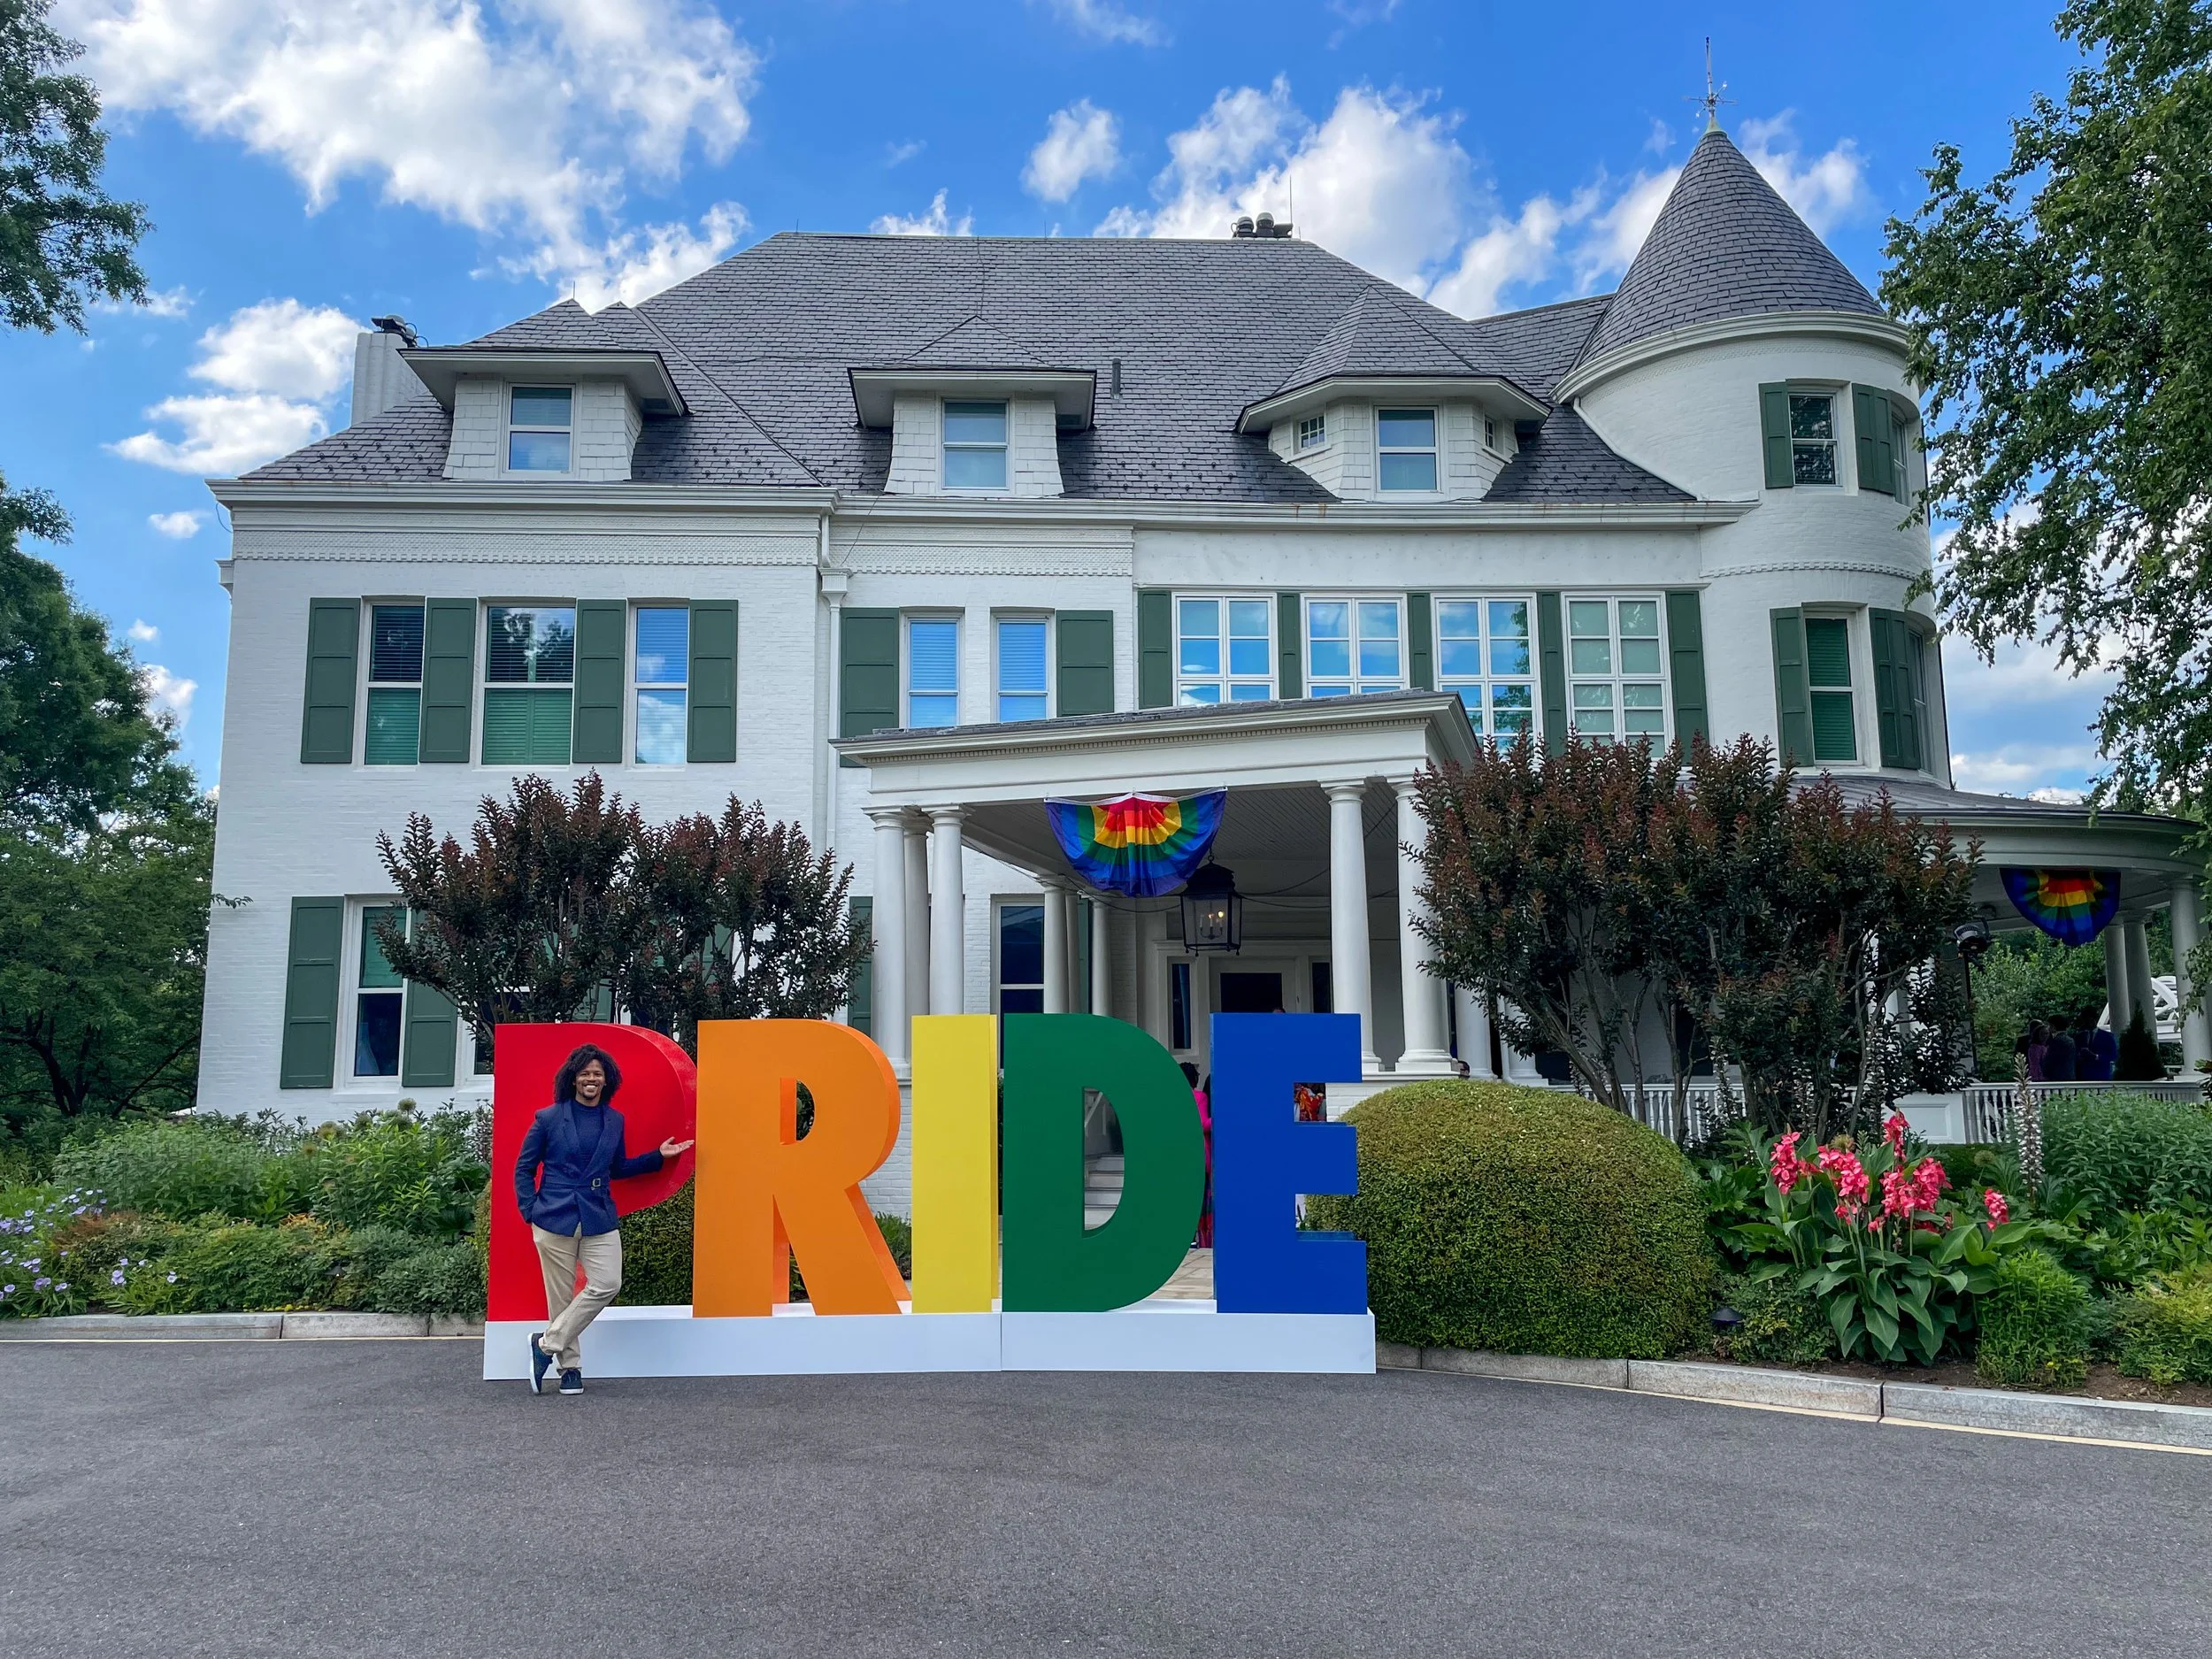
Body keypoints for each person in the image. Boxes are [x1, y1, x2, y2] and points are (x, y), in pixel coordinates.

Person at [514, 1042, 693, 1396]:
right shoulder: (548, 1118)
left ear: (606, 1080)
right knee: (561, 1298)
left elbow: (619, 1168)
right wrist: (530, 1211)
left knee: (608, 1283)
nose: (591, 1079)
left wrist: (658, 1157)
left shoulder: (614, 1120)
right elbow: (523, 1167)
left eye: (597, 1073)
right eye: (585, 1074)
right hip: (553, 1217)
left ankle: (545, 1345)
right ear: (574, 1079)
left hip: (598, 1215)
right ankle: (569, 1370)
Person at [1180, 1062, 1214, 1248]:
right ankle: (1199, 1237)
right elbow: (1202, 1124)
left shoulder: (1173, 1099)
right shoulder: (1199, 1096)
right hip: (1199, 1156)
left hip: (1181, 1155)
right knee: (1200, 1200)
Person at [2080, 1018, 2119, 1082]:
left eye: (2090, 1020)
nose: (2088, 1023)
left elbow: (2113, 1056)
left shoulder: (2107, 1036)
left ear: (2095, 1020)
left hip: (2101, 1075)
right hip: (2084, 1076)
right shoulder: (2080, 1036)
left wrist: (2096, 1056)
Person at [2043, 1018, 2078, 1083]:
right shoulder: (2071, 1040)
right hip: (2070, 1075)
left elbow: (2050, 1059)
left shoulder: (2056, 1041)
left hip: (2057, 1077)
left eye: (2049, 1026)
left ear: (2053, 1027)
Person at [2024, 1018, 2050, 1082]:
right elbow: (2036, 1064)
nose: (2045, 1036)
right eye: (2043, 1034)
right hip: (2038, 1077)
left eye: (2047, 1033)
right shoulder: (2035, 1048)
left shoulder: (2045, 1047)